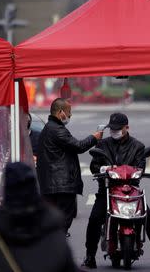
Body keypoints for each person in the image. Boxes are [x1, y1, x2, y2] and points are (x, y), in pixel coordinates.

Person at [83, 112, 150, 269]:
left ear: (126, 128)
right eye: (112, 129)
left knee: (149, 218)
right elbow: (94, 165)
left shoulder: (138, 147)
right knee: (95, 219)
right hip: (107, 191)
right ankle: (89, 256)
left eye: (117, 129)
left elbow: (140, 166)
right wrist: (102, 168)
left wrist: (135, 172)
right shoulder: (102, 145)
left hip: (131, 191)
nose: (114, 131)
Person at [36, 98, 103, 235]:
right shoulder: (57, 130)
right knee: (64, 218)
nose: (70, 115)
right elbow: (78, 146)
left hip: (52, 184)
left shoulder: (49, 128)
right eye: (69, 112)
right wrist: (94, 137)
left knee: (57, 219)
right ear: (61, 112)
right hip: (61, 185)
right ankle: (58, 245)